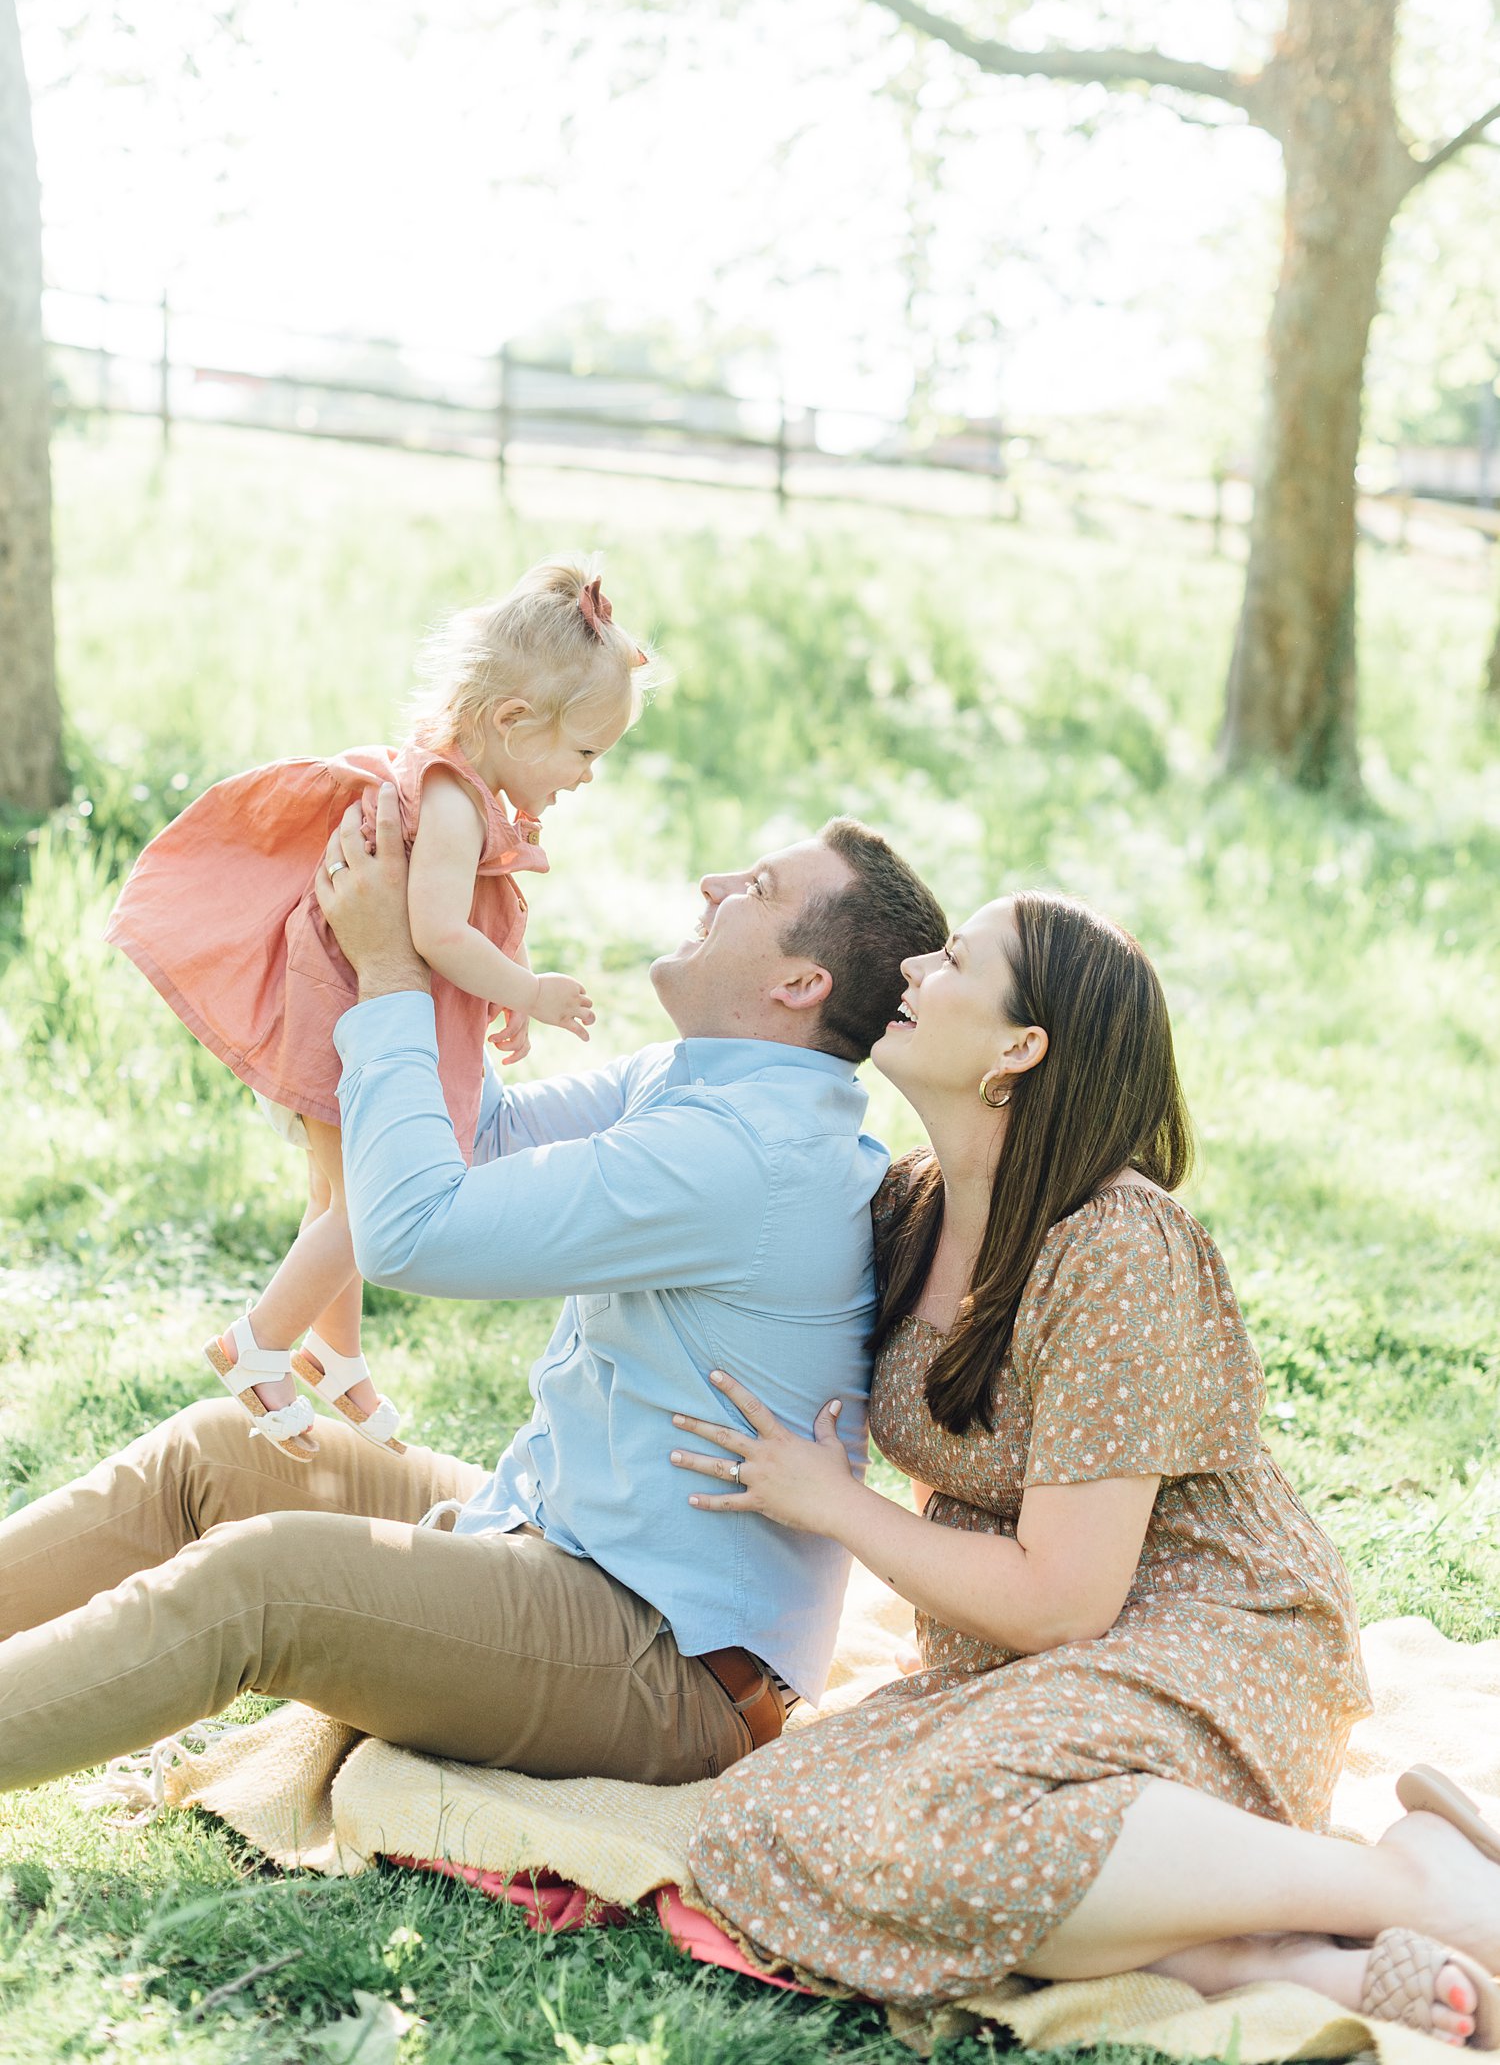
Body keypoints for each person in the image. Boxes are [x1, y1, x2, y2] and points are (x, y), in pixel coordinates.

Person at [0, 794, 948, 1795]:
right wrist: (435, 936)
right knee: (212, 1458)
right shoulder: (701, 1083)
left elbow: (414, 1231)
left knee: (261, 1583)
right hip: (547, 1539)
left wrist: (390, 979)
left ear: (803, 982)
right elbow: (468, 1134)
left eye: (755, 890)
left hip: (662, 1664)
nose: (713, 887)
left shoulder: (743, 1155)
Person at [680, 892, 1500, 2049]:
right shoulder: (911, 1208)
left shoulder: (1119, 1244)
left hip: (1211, 1637)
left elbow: (1070, 1598)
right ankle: (1282, 1963)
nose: (915, 966)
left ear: (1022, 1048)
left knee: (969, 1829)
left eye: (956, 957)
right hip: (1018, 1671)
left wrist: (841, 1507)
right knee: (768, 1820)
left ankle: (1407, 1889)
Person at [106, 556, 648, 1459]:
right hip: (344, 1001)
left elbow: (458, 924)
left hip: (349, 996)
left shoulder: (463, 782)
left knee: (336, 1188)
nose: (590, 775)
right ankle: (258, 1341)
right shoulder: (454, 800)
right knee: (365, 1204)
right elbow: (436, 931)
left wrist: (494, 997)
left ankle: (336, 1352)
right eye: (586, 751)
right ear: (513, 722)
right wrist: (530, 991)